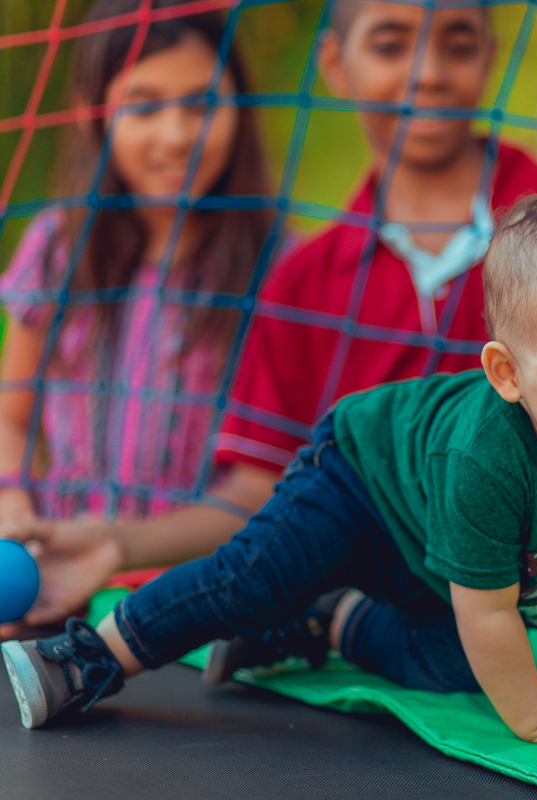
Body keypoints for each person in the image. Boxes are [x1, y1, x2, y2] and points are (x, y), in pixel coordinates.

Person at [2, 194, 537, 744]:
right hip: (361, 478)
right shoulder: (488, 457)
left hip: (438, 546)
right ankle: (87, 659)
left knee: (461, 662)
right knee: (254, 575)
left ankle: (328, 620)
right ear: (508, 374)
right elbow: (491, 609)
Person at [0, 0, 537, 634]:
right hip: (377, 618)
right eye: (390, 45)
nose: (427, 73)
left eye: (458, 43)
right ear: (334, 62)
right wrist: (91, 535)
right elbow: (260, 492)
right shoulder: (305, 284)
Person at [0, 0, 282, 631]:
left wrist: (118, 545)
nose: (177, 135)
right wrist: (11, 503)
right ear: (93, 114)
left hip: (201, 597)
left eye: (202, 104)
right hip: (55, 576)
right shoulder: (56, 246)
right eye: (145, 105)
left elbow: (257, 492)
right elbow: (12, 415)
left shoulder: (279, 271)